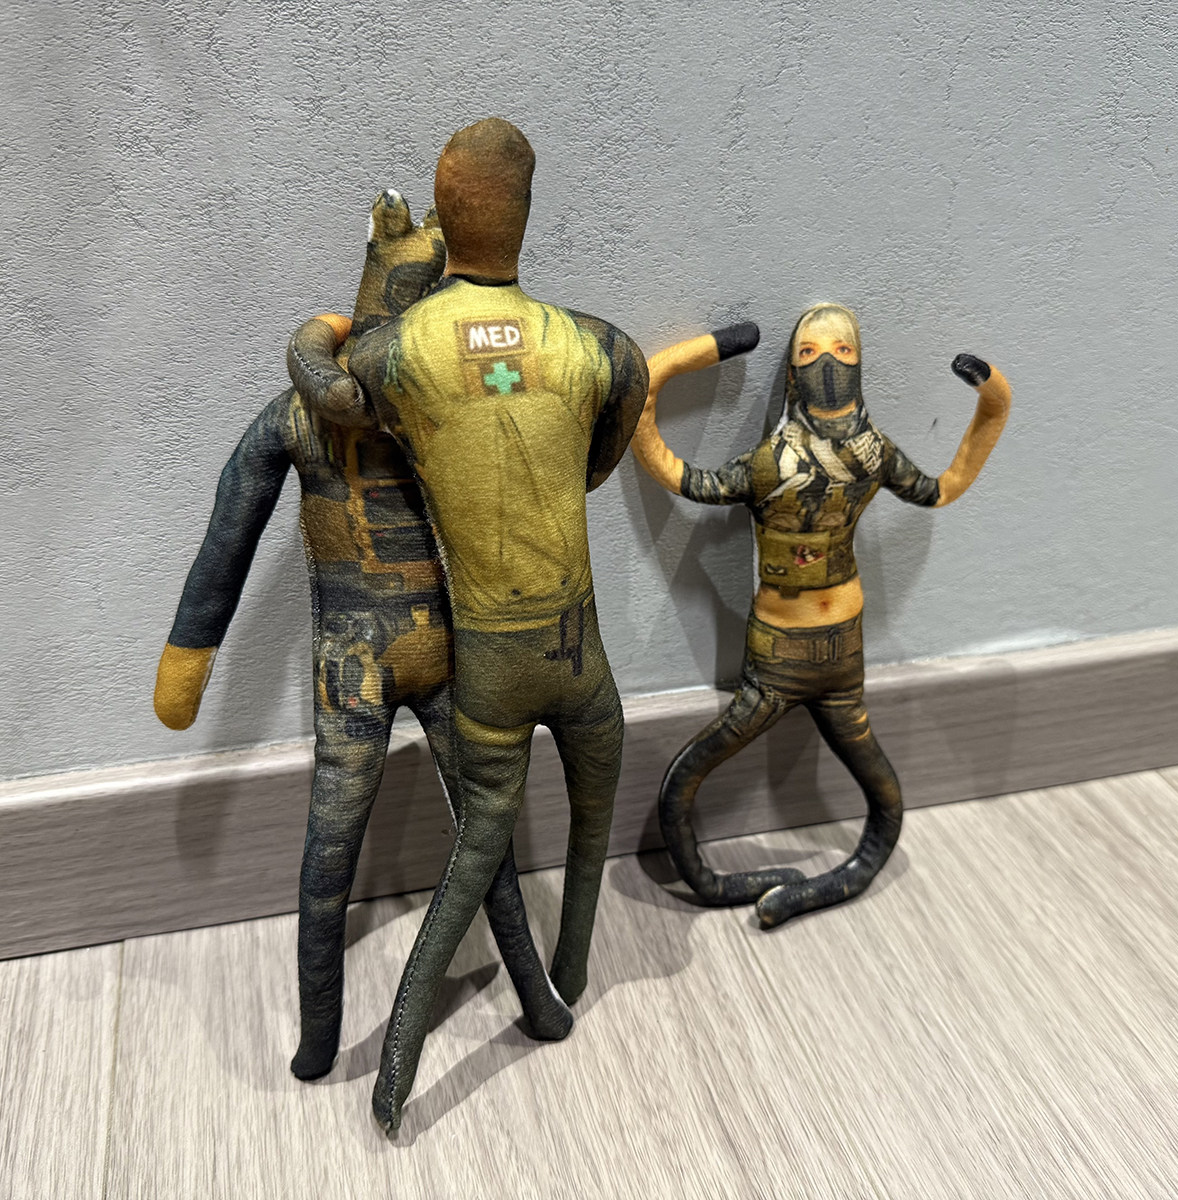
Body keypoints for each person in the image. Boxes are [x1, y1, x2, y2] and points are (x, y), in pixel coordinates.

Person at [154, 190, 571, 1088]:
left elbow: (227, 532)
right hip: (430, 654)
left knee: (344, 850)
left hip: (360, 660)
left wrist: (187, 660)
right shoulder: (442, 403)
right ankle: (528, 1001)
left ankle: (331, 1041)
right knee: (471, 831)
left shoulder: (310, 411)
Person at [287, 118, 650, 1131]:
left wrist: (308, 334)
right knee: (591, 827)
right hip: (581, 651)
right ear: (529, 213)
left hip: (487, 662)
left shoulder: (394, 353)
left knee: (475, 850)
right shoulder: (601, 344)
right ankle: (570, 977)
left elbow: (329, 390)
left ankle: (396, 1068)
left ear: (444, 216)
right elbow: (605, 447)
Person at [631, 302, 1011, 928]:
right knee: (687, 778)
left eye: (842, 352)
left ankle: (809, 882)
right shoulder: (768, 464)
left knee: (882, 797)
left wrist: (994, 400)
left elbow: (942, 487)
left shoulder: (871, 454)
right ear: (792, 373)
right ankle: (710, 880)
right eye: (809, 354)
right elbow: (680, 473)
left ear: (859, 368)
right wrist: (703, 352)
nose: (827, 364)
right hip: (775, 659)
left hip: (843, 657)